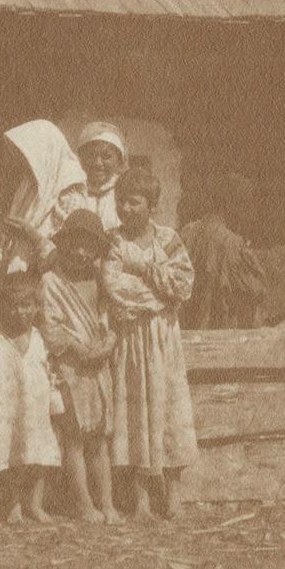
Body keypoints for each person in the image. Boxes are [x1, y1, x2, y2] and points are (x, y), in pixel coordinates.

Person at [101, 168, 198, 519]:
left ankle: (173, 494)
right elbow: (114, 288)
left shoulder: (168, 239)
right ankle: (140, 496)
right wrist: (158, 293)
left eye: (134, 202)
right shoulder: (113, 242)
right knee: (135, 411)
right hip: (130, 339)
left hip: (163, 340)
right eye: (120, 202)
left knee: (169, 410)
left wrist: (141, 269)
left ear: (152, 206)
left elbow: (182, 285)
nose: (125, 209)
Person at [41, 209, 120, 524]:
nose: (81, 252)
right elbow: (50, 327)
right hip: (70, 369)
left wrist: (108, 343)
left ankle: (107, 503)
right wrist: (78, 350)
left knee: (99, 438)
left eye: (89, 246)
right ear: (64, 244)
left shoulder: (99, 279)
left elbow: (110, 318)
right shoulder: (51, 281)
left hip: (97, 367)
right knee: (74, 438)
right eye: (75, 244)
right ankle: (83, 503)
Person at [0, 271, 63, 523]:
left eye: (26, 305)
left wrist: (55, 404)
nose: (19, 312)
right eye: (13, 306)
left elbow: (51, 373)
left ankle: (35, 504)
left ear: (36, 307)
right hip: (8, 409)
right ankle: (13, 504)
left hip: (37, 410)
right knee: (11, 456)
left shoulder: (41, 339)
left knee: (40, 457)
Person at [0, 119, 87, 277]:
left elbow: (70, 255)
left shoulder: (70, 197)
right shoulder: (30, 185)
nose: (22, 161)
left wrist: (31, 235)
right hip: (17, 280)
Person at [179, 172, 267, 329]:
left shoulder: (186, 232)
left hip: (184, 329)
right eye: (246, 206)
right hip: (220, 331)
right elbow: (254, 292)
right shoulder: (233, 243)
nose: (251, 215)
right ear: (232, 205)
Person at [74, 121, 128, 231]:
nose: (98, 163)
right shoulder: (73, 192)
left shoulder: (126, 193)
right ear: (82, 159)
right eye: (91, 156)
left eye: (106, 157)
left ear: (119, 160)